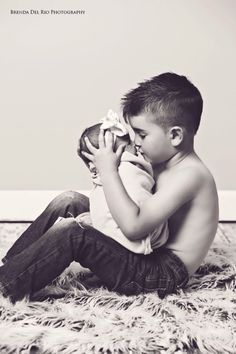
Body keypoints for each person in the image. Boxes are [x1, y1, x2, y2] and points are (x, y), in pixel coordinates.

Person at [0, 72, 219, 303]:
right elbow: (131, 196)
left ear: (175, 136)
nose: (136, 142)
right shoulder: (164, 162)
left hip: (160, 273)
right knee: (69, 200)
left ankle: (7, 285)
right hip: (146, 250)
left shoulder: (191, 176)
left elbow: (134, 227)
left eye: (142, 135)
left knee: (75, 234)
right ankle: (15, 265)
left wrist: (109, 172)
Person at [76, 111, 168, 254]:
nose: (136, 145)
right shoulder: (119, 170)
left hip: (133, 247)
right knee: (67, 202)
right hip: (125, 238)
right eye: (129, 144)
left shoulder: (131, 172)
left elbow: (141, 204)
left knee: (72, 230)